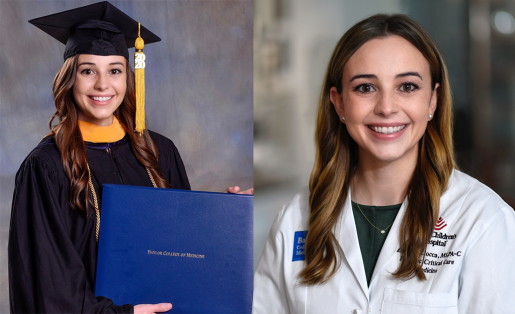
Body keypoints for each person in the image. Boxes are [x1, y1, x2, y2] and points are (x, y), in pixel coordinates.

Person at [253, 14, 515, 314]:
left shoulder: (484, 222)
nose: (387, 108)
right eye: (365, 88)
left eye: (407, 87)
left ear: (433, 100)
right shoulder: (296, 218)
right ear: (338, 103)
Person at [8, 2, 251, 314]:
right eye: (87, 71)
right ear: (70, 79)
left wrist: (223, 217)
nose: (102, 85)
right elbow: (46, 282)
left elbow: (180, 249)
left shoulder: (159, 151)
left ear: (129, 77)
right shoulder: (46, 166)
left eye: (114, 70)